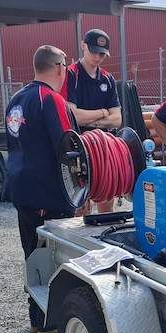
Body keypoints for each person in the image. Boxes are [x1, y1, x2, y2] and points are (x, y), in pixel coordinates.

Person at [5, 44, 77, 333]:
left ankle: (37, 321)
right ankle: (51, 325)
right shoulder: (51, 99)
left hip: (23, 193)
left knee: (32, 254)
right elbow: (69, 147)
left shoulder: (15, 100)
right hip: (50, 195)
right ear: (60, 68)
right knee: (56, 260)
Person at [61, 28, 121, 213]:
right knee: (81, 203)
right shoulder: (71, 75)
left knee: (107, 196)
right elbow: (73, 116)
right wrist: (103, 112)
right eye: (94, 51)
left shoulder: (108, 79)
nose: (98, 57)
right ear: (83, 46)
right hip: (78, 148)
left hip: (105, 150)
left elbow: (117, 119)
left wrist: (90, 121)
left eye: (102, 54)